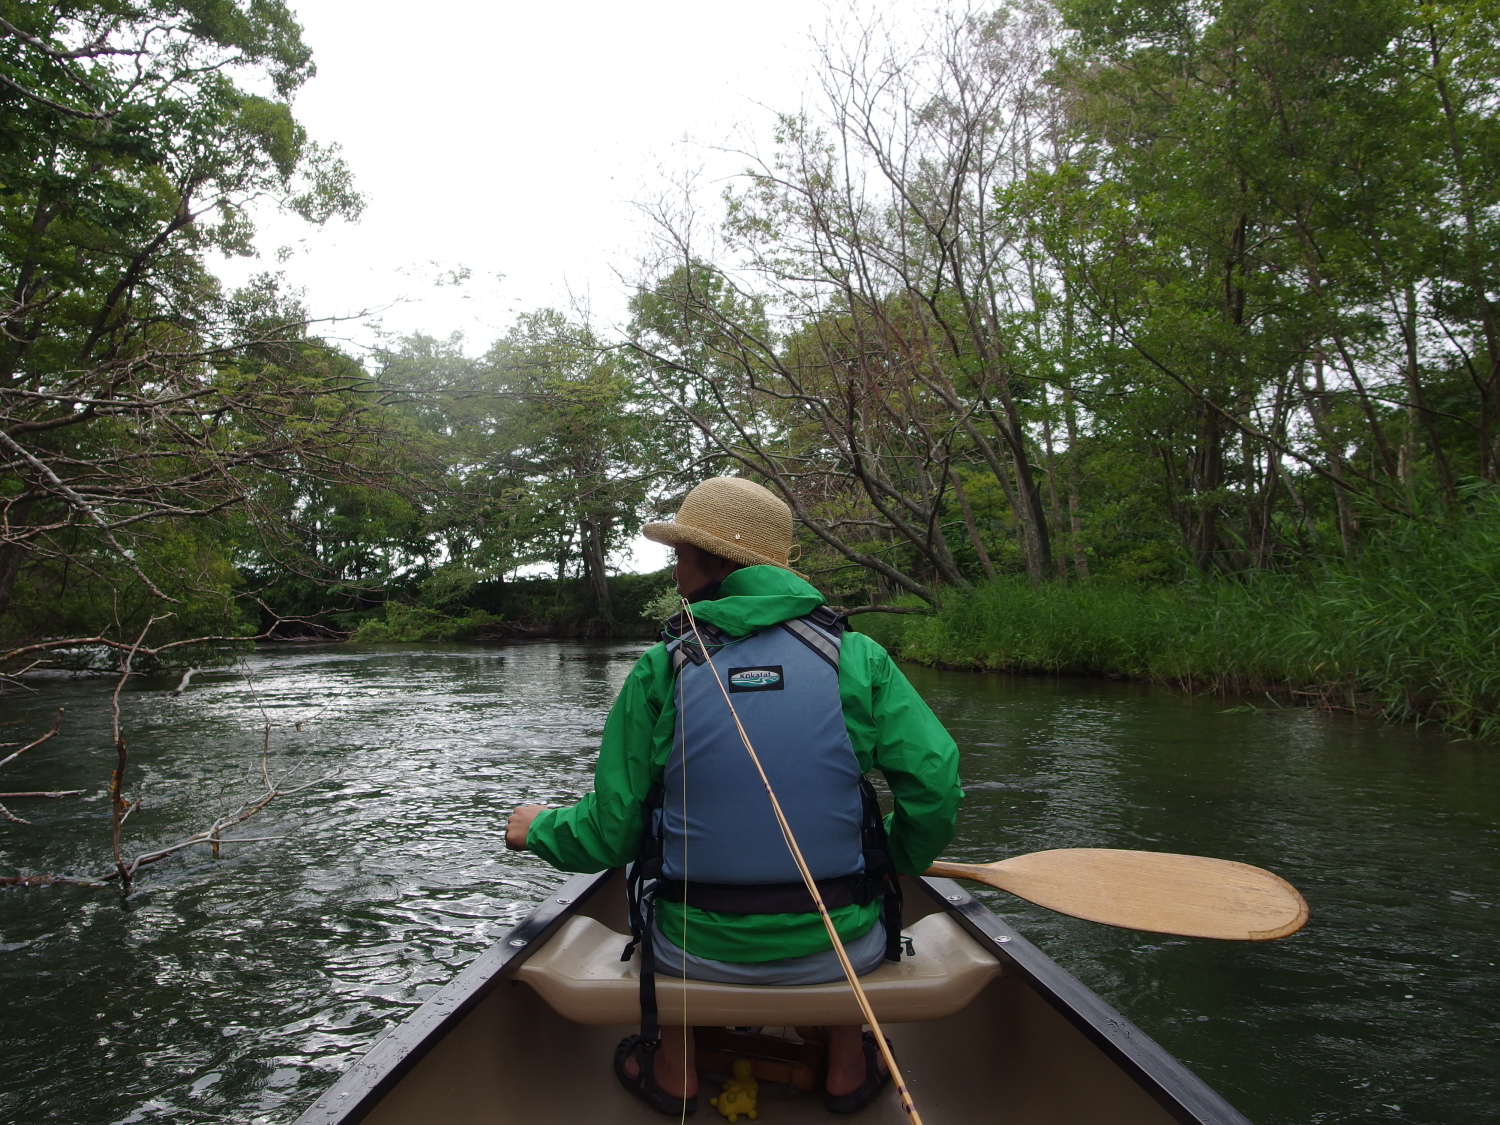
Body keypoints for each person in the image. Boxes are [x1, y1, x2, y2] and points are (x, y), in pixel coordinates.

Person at [505, 476, 962, 1116]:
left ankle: (675, 1069)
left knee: (663, 887)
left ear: (719, 563)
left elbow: (612, 835)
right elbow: (936, 782)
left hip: (692, 949)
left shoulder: (661, 668)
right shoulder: (858, 657)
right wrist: (900, 857)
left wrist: (537, 827)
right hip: (843, 944)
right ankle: (846, 1064)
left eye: (681, 553)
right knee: (847, 880)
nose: (672, 569)